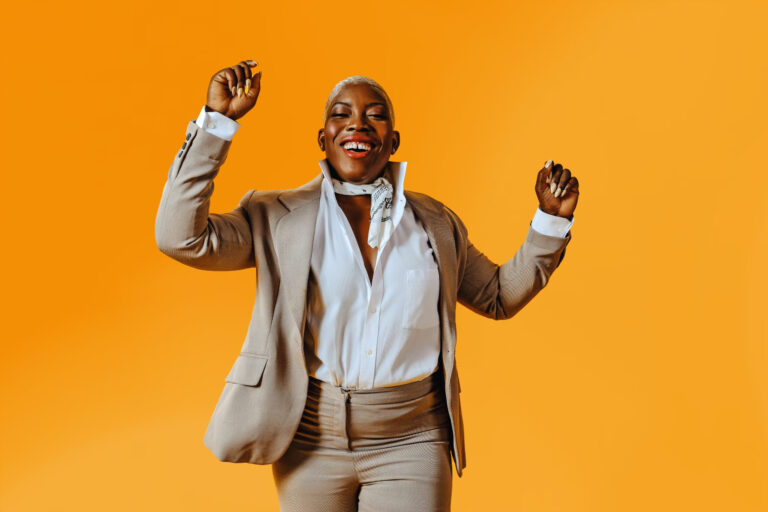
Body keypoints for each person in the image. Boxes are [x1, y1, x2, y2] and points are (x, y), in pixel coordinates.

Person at [155, 59, 579, 511]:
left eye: (375, 114)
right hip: (309, 436)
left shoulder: (434, 223)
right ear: (323, 138)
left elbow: (498, 295)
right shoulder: (276, 216)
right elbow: (180, 237)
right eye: (341, 114)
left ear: (392, 140)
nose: (357, 123)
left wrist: (550, 222)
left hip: (413, 436)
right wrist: (217, 122)